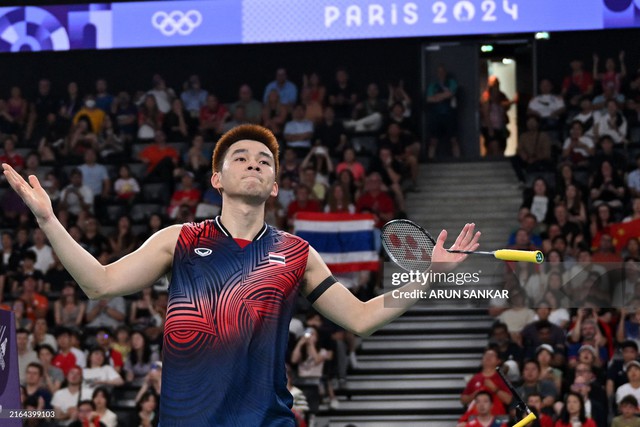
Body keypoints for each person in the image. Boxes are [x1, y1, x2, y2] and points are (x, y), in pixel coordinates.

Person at [2, 123, 480, 426]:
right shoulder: (180, 239)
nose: (253, 163)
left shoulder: (297, 252)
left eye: (264, 161)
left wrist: (429, 273)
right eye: (240, 158)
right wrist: (48, 220)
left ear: (273, 185)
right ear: (217, 179)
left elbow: (360, 318)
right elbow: (98, 283)